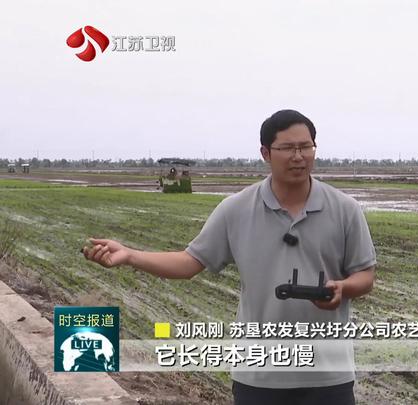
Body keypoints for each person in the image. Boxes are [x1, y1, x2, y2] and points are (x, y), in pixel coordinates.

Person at [83, 109, 377, 405]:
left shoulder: (345, 209)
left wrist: (343, 288)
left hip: (328, 377)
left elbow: (365, 275)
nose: (299, 156)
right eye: (288, 148)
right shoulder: (236, 209)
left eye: (306, 147)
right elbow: (189, 263)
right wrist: (130, 255)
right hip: (258, 376)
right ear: (265, 153)